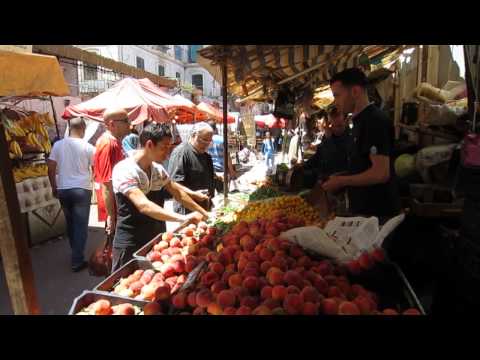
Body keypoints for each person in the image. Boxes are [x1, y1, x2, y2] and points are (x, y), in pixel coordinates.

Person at [111, 123, 209, 271]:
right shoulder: (125, 169)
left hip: (155, 239)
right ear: (150, 144)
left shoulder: (157, 169)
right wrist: (183, 218)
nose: (168, 153)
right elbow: (143, 205)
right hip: (130, 241)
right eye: (164, 147)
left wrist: (204, 213)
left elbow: (178, 193)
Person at [321, 68, 401, 217]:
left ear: (355, 92)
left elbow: (381, 173)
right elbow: (364, 165)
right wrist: (340, 177)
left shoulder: (374, 121)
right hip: (364, 212)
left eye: (337, 95)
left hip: (378, 215)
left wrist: (342, 181)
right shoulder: (358, 122)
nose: (335, 102)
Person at [47, 117, 96, 272]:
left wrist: (54, 186)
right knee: (80, 226)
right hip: (82, 189)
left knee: (71, 224)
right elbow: (95, 170)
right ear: (83, 129)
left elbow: (51, 168)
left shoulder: (58, 145)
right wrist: (91, 182)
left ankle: (76, 252)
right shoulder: (89, 147)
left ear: (69, 127)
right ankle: (77, 260)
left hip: (63, 189)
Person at [93, 108, 131, 236]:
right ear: (112, 124)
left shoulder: (114, 142)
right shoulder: (108, 144)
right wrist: (111, 216)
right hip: (114, 206)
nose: (129, 124)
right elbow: (107, 183)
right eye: (125, 121)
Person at [168, 122, 216, 215]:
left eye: (209, 141)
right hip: (187, 209)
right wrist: (193, 194)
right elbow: (173, 183)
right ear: (194, 135)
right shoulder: (181, 152)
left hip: (204, 206)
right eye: (204, 140)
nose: (207, 144)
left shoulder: (205, 155)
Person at [300, 106, 352, 187]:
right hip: (321, 179)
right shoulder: (329, 135)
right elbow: (318, 155)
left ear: (346, 121)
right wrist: (303, 166)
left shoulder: (350, 138)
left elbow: (337, 160)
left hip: (336, 183)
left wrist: (329, 139)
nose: (335, 129)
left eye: (339, 126)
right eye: (332, 125)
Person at [207, 121, 237, 193]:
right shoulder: (222, 140)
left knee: (211, 196)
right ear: (216, 129)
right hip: (222, 172)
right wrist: (232, 172)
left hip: (210, 172)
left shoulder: (207, 140)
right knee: (223, 195)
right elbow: (228, 158)